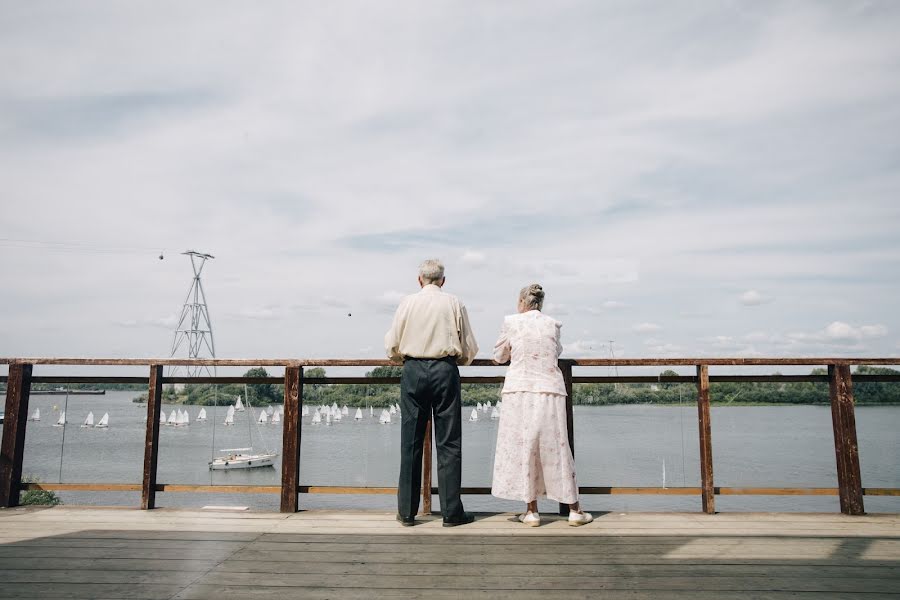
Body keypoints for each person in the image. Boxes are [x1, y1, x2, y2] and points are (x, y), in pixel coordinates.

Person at [385, 259, 479, 527]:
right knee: (449, 443)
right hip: (444, 370)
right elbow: (469, 347)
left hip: (413, 370)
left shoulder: (407, 302)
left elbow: (392, 345)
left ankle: (406, 512)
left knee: (410, 442)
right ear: (443, 280)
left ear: (419, 280)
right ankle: (451, 512)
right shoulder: (454, 302)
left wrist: (404, 358)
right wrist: (454, 362)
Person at [491, 283, 593, 527]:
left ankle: (531, 511)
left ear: (521, 303)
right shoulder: (552, 324)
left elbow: (499, 356)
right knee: (557, 447)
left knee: (526, 446)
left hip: (520, 390)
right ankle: (575, 509)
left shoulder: (511, 322)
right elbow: (555, 351)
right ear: (540, 304)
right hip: (550, 389)